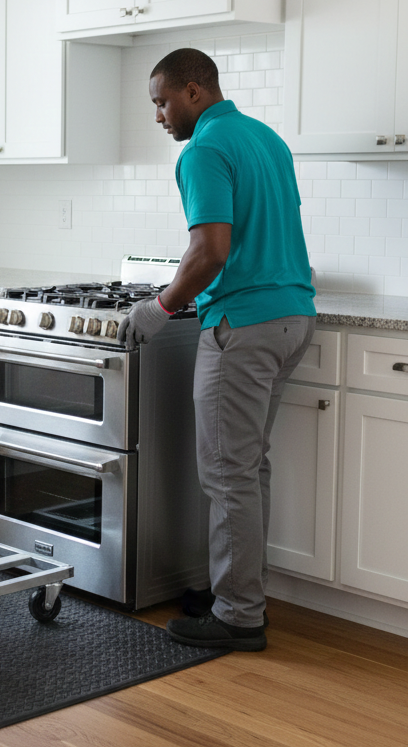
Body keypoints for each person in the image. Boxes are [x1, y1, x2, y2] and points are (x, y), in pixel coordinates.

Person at [118, 47, 316, 652]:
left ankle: (238, 615)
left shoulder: (202, 148)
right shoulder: (266, 140)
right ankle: (237, 591)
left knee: (229, 473)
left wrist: (160, 307)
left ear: (194, 89)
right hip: (293, 317)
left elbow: (210, 252)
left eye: (162, 101)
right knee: (248, 467)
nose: (159, 116)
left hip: (243, 325)